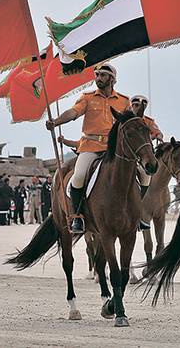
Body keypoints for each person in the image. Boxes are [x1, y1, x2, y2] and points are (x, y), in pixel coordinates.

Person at [45, 63, 130, 234]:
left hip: (114, 149)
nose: (98, 78)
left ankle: (137, 215)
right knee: (79, 176)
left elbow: (130, 124)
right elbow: (73, 112)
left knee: (136, 175)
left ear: (112, 79)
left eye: (103, 75)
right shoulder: (88, 97)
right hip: (90, 146)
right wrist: (56, 122)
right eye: (97, 75)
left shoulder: (124, 101)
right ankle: (77, 217)